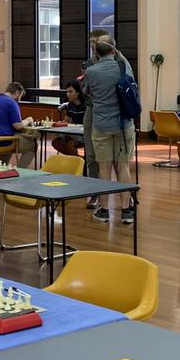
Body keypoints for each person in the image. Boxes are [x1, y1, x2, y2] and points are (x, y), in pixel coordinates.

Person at [83, 40, 137, 224]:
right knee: (123, 167)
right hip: (123, 124)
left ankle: (104, 210)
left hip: (101, 124)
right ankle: (126, 211)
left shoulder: (91, 71)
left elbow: (87, 92)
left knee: (104, 167)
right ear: (113, 49)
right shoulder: (123, 66)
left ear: (96, 53)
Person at [0, 82, 37, 169]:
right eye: (20, 96)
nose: (19, 99)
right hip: (0, 141)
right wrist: (28, 120)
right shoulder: (11, 103)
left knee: (9, 137)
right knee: (32, 146)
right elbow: (18, 126)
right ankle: (20, 171)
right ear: (17, 93)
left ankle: (1, 169)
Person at [53, 83, 87, 159]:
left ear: (78, 93)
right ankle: (79, 160)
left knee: (70, 143)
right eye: (67, 92)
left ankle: (79, 162)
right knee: (56, 142)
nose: (68, 94)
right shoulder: (70, 105)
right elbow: (66, 122)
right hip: (74, 133)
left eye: (70, 92)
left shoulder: (86, 105)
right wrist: (59, 125)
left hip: (85, 134)